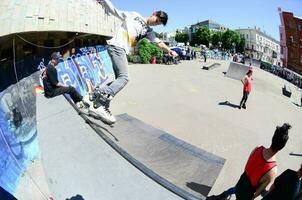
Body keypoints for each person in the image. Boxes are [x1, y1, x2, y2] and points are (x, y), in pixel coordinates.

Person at [89, 0, 178, 124]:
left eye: (158, 24)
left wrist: (169, 50)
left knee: (118, 80)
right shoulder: (134, 15)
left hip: (121, 50)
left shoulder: (148, 31)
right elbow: (115, 11)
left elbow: (158, 42)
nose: (156, 24)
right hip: (117, 46)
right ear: (153, 14)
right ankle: (100, 99)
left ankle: (98, 98)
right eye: (156, 21)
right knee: (124, 78)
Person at [213, 123, 291, 200]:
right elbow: (258, 192)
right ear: (282, 147)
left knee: (236, 189)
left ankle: (224, 195)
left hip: (242, 180)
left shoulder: (258, 148)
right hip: (247, 193)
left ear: (273, 138)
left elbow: (246, 166)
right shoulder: (273, 170)